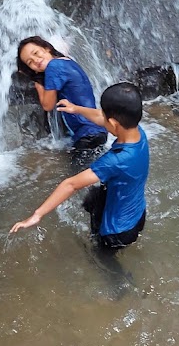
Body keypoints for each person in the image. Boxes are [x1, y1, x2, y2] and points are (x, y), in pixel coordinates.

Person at [11, 81, 149, 250]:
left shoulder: (116, 161)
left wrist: (37, 214)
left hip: (116, 232)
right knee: (94, 196)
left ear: (113, 124)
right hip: (137, 214)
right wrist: (76, 109)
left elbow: (70, 184)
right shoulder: (137, 131)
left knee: (102, 260)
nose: (102, 118)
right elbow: (101, 117)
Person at [16, 35, 108, 150]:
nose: (35, 60)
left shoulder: (53, 66)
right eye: (30, 62)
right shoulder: (65, 61)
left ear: (47, 48)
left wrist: (37, 82)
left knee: (82, 168)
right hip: (97, 130)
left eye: (36, 53)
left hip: (87, 134)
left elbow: (48, 105)